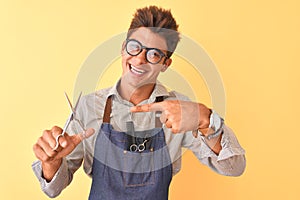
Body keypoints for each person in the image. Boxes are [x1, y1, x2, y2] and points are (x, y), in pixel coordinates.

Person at [32, 5, 246, 199]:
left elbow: (234, 167)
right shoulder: (89, 106)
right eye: (135, 47)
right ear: (123, 48)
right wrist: (51, 162)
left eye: (154, 54)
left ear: (165, 63)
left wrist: (207, 118)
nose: (140, 59)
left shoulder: (179, 109)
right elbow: (53, 188)